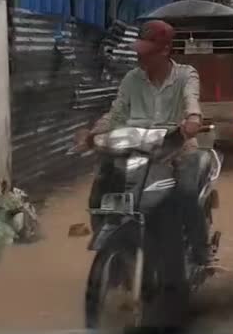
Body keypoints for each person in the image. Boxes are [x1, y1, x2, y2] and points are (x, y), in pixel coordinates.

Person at [74, 20, 210, 266]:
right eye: (139, 50)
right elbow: (116, 114)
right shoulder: (131, 79)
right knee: (102, 187)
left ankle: (201, 252)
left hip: (176, 148)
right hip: (136, 148)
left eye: (147, 52)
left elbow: (192, 99)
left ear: (165, 51)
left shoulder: (185, 74)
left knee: (186, 194)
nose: (140, 57)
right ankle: (111, 245)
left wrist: (193, 118)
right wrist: (93, 135)